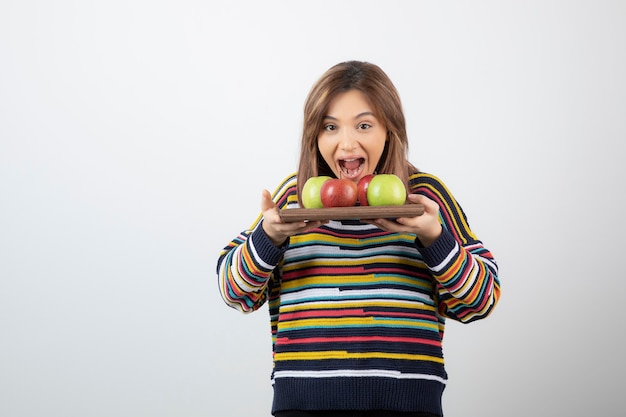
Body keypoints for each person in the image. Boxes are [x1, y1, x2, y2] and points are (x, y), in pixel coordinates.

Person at [216, 60, 501, 417]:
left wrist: (434, 239)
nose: (346, 143)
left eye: (364, 125)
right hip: (304, 405)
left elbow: (481, 300)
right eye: (330, 127)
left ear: (389, 130)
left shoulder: (424, 198)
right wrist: (268, 238)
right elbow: (234, 293)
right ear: (314, 136)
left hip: (409, 406)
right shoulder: (294, 198)